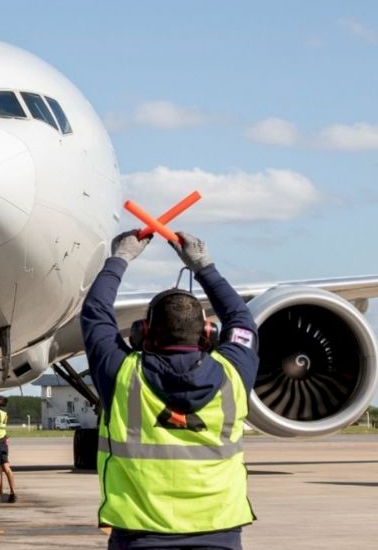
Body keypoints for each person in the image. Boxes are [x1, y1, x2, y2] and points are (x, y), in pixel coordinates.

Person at [80, 230, 259, 550]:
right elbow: (242, 320)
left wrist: (120, 258)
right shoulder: (233, 374)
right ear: (208, 333)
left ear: (142, 332)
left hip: (140, 533)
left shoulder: (121, 374)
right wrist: (203, 265)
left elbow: (95, 312)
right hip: (219, 531)